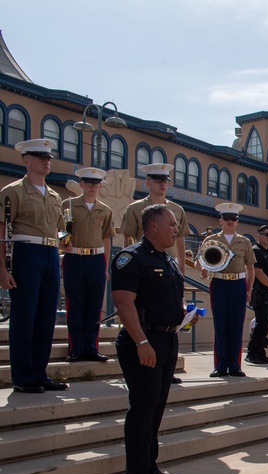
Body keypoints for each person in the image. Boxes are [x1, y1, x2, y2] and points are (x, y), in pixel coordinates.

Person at [111, 204, 191, 474]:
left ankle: (149, 467)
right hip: (143, 341)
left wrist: (184, 312)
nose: (176, 230)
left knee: (155, 409)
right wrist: (141, 342)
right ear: (153, 226)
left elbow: (171, 296)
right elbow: (123, 302)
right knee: (143, 409)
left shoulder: (167, 260)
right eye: (171, 225)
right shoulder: (131, 257)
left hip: (167, 340)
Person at [0, 138, 68, 393]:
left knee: (46, 317)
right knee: (24, 316)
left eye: (48, 158)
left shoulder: (54, 195)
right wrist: (2, 269)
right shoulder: (13, 191)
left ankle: (39, 372)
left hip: (50, 253)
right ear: (26, 160)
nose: (46, 162)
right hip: (25, 252)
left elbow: (60, 229)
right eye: (41, 158)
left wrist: (65, 243)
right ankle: (22, 376)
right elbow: (2, 230)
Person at [62, 167, 114, 363]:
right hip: (74, 257)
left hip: (95, 259)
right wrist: (63, 243)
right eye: (89, 183)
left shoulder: (105, 210)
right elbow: (60, 230)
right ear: (81, 184)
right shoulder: (68, 205)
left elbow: (106, 239)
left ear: (100, 186)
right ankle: (75, 348)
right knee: (75, 304)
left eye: (96, 184)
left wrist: (105, 267)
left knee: (94, 305)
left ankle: (92, 347)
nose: (92, 187)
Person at [199, 203, 255, 378]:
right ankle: (221, 365)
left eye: (234, 219)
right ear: (221, 220)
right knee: (220, 324)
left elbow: (250, 267)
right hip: (219, 282)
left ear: (237, 222)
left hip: (238, 284)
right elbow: (200, 261)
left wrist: (249, 289)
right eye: (227, 218)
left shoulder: (245, 241)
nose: (230, 222)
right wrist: (203, 268)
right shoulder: (211, 240)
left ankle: (235, 365)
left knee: (236, 325)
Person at [120, 163, 190, 262]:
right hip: (144, 262)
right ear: (147, 182)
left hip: (170, 263)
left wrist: (181, 269)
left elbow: (180, 242)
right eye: (158, 180)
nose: (162, 184)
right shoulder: (135, 208)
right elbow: (128, 242)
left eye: (165, 181)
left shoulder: (177, 209)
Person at [246, 225, 268, 364]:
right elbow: (258, 272)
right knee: (262, 323)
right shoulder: (256, 251)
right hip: (259, 292)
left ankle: (260, 353)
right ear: (258, 235)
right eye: (266, 234)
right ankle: (252, 352)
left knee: (265, 324)